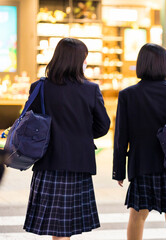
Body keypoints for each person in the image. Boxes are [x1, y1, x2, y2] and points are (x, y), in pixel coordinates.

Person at [23, 38, 110, 240]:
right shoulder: (90, 89)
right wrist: (81, 134)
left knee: (58, 228)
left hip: (48, 160)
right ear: (79, 60)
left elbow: (28, 122)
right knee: (65, 229)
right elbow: (103, 126)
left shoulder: (40, 87)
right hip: (78, 163)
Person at [112, 43, 166, 240]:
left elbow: (121, 136)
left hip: (142, 165)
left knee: (137, 216)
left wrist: (119, 170)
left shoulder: (127, 95)